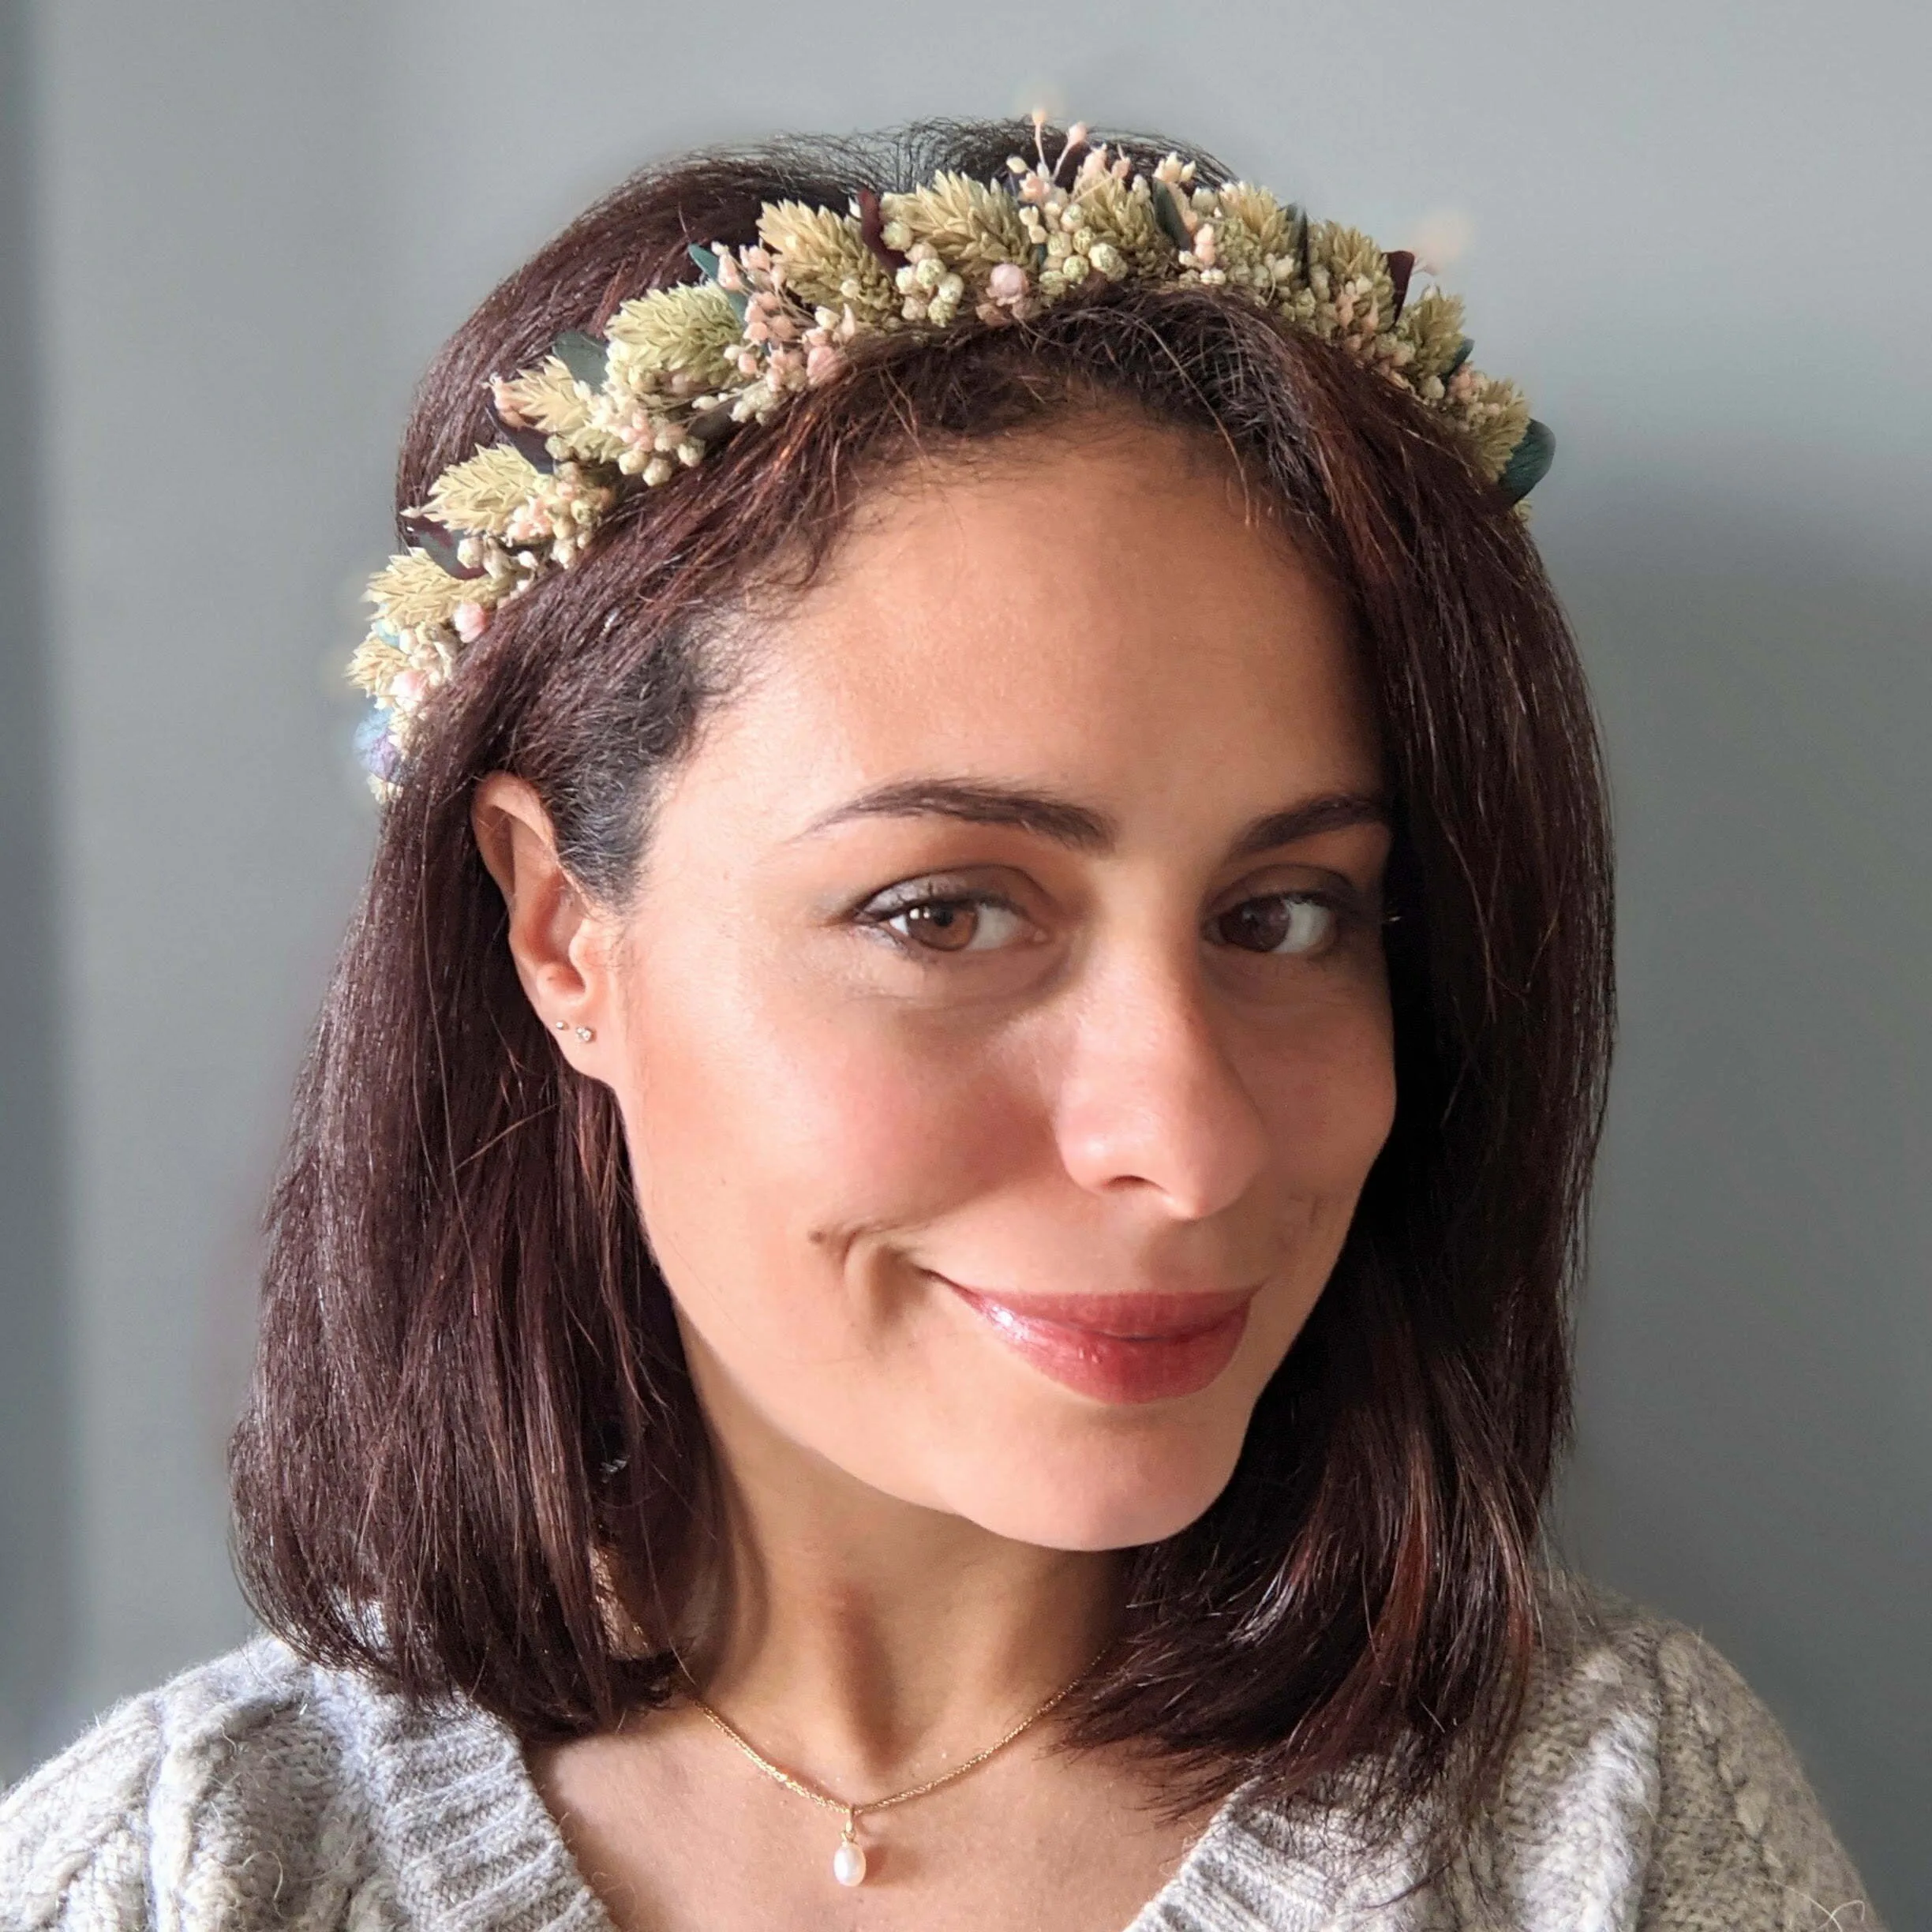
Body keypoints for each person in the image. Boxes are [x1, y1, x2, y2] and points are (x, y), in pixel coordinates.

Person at [0, 117, 1880, 1930]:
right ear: (565, 932)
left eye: (1286, 915)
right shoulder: (185, 1872)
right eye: (945, 912)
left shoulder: (1605, 1836)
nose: (1191, 1136)